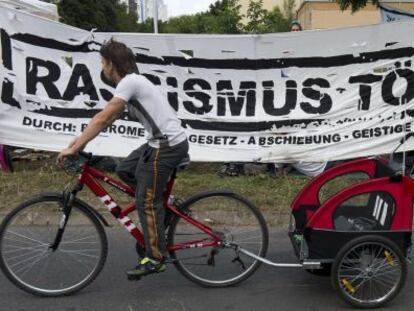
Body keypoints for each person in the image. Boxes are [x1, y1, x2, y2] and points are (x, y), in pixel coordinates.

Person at [57, 39, 188, 280]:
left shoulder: (130, 82)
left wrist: (76, 147)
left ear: (110, 63)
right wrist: (77, 144)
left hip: (166, 146)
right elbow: (107, 117)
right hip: (159, 142)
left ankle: (156, 259)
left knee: (146, 201)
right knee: (126, 170)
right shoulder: (131, 83)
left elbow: (103, 118)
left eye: (102, 62)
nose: (102, 67)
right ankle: (167, 204)